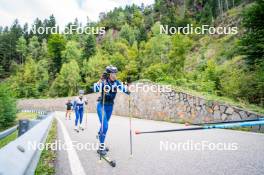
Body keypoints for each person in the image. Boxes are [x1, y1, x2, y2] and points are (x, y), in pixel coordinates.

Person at [94, 65, 130, 155]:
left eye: (115, 73)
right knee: (105, 126)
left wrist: (129, 91)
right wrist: (100, 80)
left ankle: (100, 135)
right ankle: (101, 147)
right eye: (112, 74)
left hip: (110, 107)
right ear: (108, 74)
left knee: (104, 125)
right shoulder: (104, 82)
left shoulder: (117, 82)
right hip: (101, 106)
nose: (114, 75)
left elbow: (124, 89)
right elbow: (95, 88)